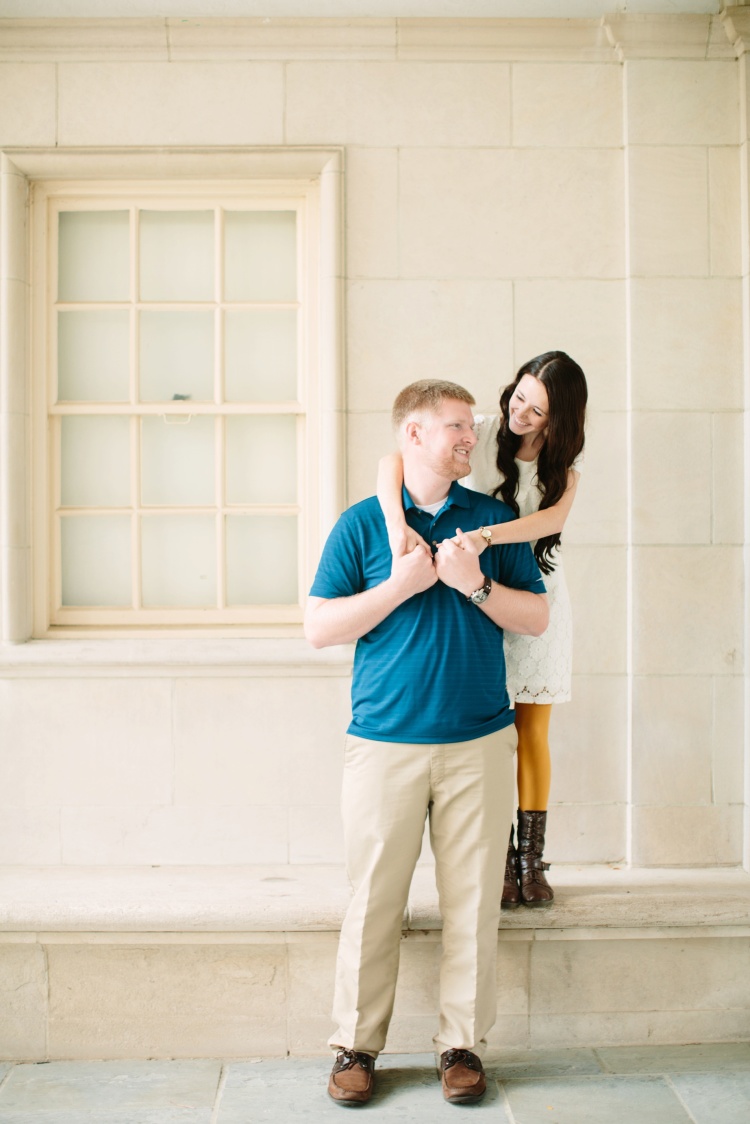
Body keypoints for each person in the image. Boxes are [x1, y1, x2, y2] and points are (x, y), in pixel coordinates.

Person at [304, 379, 548, 1106]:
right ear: (412, 435)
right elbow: (319, 627)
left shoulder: (494, 520)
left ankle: (461, 1046)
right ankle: (355, 1046)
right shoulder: (362, 526)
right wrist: (402, 586)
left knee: (473, 900)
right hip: (383, 744)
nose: (471, 437)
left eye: (471, 426)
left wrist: (473, 585)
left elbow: (534, 618)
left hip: (480, 741)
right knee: (373, 898)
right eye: (454, 428)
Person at [377, 352, 587, 909]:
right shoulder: (481, 433)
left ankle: (530, 862)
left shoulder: (563, 469)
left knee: (533, 731)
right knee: (495, 734)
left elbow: (551, 521)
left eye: (536, 409)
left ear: (558, 418)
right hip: (474, 595)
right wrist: (396, 523)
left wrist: (488, 536)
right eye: (519, 397)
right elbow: (392, 459)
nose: (520, 413)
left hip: (535, 595)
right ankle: (498, 855)